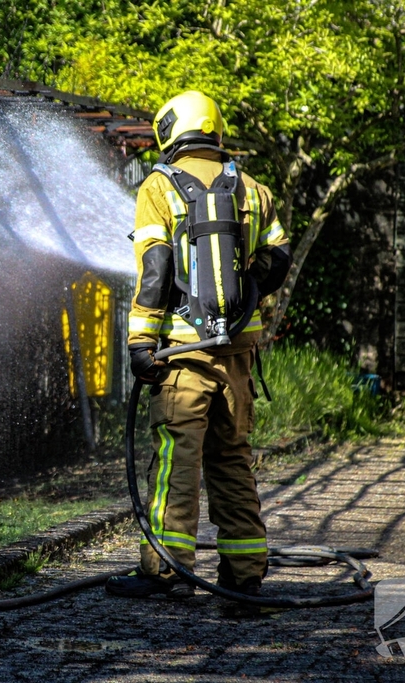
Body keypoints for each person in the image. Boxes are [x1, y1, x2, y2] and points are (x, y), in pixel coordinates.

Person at [106, 91, 291, 600]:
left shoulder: (158, 187)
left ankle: (167, 572)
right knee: (232, 459)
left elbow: (156, 268)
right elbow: (278, 257)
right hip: (238, 355)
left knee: (177, 459)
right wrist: (243, 296)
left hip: (182, 356)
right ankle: (244, 576)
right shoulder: (252, 188)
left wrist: (141, 340)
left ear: (169, 130)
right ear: (215, 128)